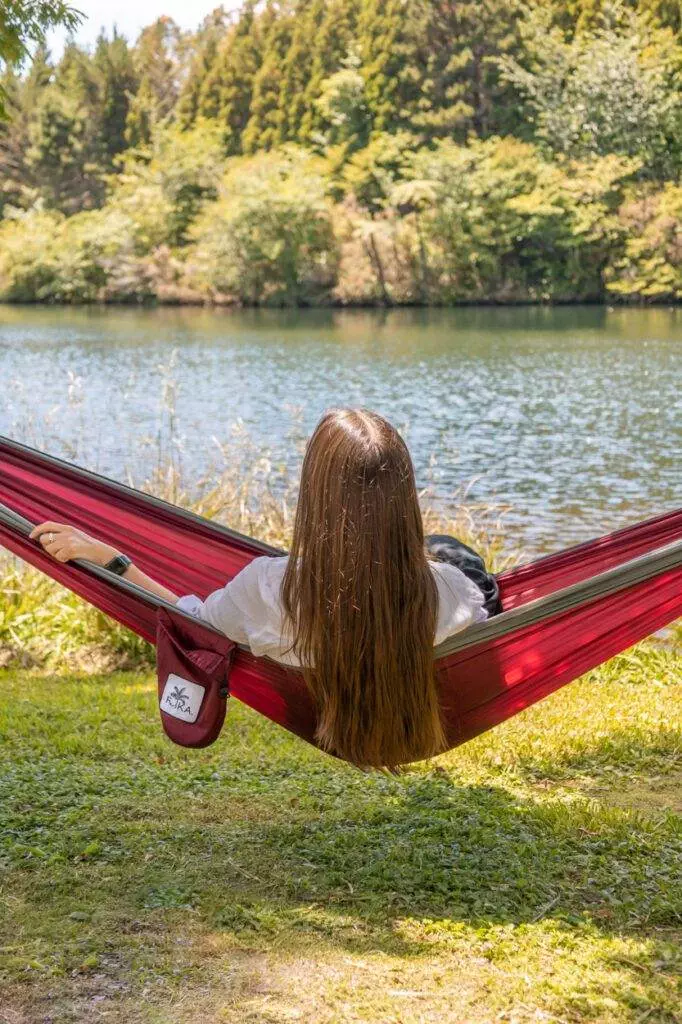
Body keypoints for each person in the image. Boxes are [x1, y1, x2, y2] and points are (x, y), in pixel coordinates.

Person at [29, 409, 499, 769]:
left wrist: (112, 558)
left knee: (437, 553)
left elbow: (189, 620)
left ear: (314, 493)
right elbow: (483, 630)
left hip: (321, 592)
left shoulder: (267, 588)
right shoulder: (450, 590)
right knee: (451, 551)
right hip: (432, 590)